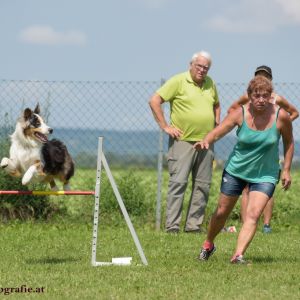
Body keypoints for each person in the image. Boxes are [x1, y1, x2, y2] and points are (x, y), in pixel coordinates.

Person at [194, 75, 294, 263]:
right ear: (249, 96)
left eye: (265, 96)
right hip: (236, 170)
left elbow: (289, 143)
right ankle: (208, 243)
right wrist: (206, 140)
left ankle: (238, 255)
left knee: (253, 214)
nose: (261, 100)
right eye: (257, 96)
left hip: (266, 173)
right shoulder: (240, 113)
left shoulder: (281, 116)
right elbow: (221, 130)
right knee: (222, 211)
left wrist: (286, 169)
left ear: (271, 96)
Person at [149, 51, 220, 233]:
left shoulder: (210, 83)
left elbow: (216, 104)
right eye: (199, 66)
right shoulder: (178, 81)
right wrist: (165, 126)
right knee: (178, 184)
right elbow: (155, 100)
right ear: (191, 65)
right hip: (182, 141)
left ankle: (193, 226)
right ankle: (172, 227)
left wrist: (216, 126)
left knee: (202, 185)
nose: (202, 70)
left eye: (206, 67)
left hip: (206, 142)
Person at [228, 66, 299, 233]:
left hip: (269, 151)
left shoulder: (276, 99)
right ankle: (247, 223)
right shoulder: (248, 98)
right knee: (246, 186)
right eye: (259, 76)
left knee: (267, 186)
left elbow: (294, 112)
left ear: (271, 80)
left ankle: (266, 225)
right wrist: (242, 124)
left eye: (266, 77)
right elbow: (232, 110)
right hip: (250, 151)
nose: (263, 79)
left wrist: (279, 126)